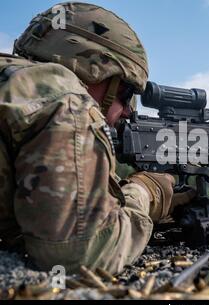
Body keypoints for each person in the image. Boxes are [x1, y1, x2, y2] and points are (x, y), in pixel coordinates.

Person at [0, 2, 194, 274]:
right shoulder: (64, 100)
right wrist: (146, 192)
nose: (127, 111)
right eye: (127, 94)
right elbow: (77, 254)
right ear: (94, 69)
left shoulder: (14, 82)